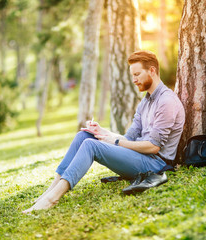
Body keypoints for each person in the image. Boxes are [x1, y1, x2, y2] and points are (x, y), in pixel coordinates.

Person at [22, 50, 185, 213]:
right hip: (139, 157)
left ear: (152, 71)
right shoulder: (146, 102)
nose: (134, 80)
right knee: (84, 136)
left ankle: (52, 199)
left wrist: (115, 141)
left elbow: (153, 147)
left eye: (137, 74)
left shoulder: (166, 101)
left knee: (90, 145)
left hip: (156, 163)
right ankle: (50, 190)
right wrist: (103, 132)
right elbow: (129, 137)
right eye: (132, 75)